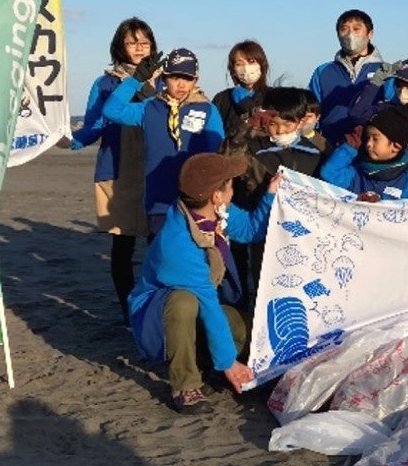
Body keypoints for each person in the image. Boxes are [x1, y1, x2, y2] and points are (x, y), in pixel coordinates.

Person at [127, 152, 274, 414]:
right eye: (230, 185)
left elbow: (251, 230)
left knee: (250, 331)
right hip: (159, 318)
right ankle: (185, 385)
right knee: (183, 301)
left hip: (204, 304)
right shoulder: (179, 243)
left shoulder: (214, 212)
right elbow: (207, 304)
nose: (233, 191)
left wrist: (271, 195)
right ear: (216, 196)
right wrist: (229, 363)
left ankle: (206, 361)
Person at [69, 17, 157, 324]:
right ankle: (127, 309)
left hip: (155, 168)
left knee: (158, 241)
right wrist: (74, 140)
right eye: (132, 42)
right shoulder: (106, 82)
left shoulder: (163, 80)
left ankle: (155, 305)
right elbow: (95, 123)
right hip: (117, 168)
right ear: (120, 45)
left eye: (144, 42)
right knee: (123, 245)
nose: (138, 48)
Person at [102, 47, 225, 240]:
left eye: (187, 78)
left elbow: (218, 155)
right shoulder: (149, 107)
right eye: (175, 77)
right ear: (164, 78)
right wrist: (135, 81)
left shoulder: (208, 109)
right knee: (162, 261)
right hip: (159, 201)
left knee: (197, 262)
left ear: (195, 80)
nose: (181, 84)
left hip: (199, 201)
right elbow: (112, 110)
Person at [230, 86, 325, 312]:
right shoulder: (251, 149)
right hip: (263, 232)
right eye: (274, 124)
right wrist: (245, 127)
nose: (280, 130)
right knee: (266, 289)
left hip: (302, 236)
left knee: (302, 292)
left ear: (301, 122)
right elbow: (225, 161)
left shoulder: (315, 153)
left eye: (287, 124)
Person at [309, 9, 385, 146]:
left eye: (357, 29)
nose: (350, 34)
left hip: (374, 150)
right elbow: (310, 112)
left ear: (370, 34)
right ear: (338, 34)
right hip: (330, 147)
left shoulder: (386, 71)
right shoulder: (323, 72)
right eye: (344, 29)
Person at [319, 106, 408, 201]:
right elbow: (329, 173)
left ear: (395, 147)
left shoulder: (407, 181)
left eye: (375, 139)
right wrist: (349, 148)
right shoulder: (358, 173)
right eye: (368, 137)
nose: (369, 144)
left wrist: (380, 204)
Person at [345, 58, 408, 164]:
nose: (403, 90)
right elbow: (356, 114)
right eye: (399, 84)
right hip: (396, 176)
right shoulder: (387, 109)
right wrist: (375, 82)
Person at [212, 39, 270, 150]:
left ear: (262, 64)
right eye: (239, 64)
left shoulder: (274, 96)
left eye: (251, 62)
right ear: (233, 69)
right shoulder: (222, 99)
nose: (246, 68)